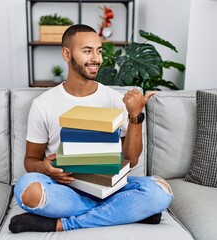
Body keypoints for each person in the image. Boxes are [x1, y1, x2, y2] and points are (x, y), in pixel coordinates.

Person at [9, 24, 173, 233]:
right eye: (87, 51)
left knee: (160, 192)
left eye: (99, 50)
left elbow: (131, 161)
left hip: (109, 186)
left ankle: (63, 224)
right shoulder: (43, 104)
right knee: (26, 189)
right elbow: (30, 161)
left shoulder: (116, 99)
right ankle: (124, 211)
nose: (96, 58)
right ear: (67, 54)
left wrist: (135, 117)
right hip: (65, 189)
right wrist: (44, 168)